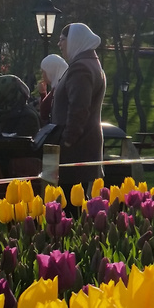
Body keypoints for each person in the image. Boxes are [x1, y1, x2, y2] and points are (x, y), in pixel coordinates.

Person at [51, 23, 106, 202]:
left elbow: (79, 108)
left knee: (69, 207)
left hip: (75, 150)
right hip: (82, 147)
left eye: (62, 40)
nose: (59, 44)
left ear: (74, 40)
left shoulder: (80, 68)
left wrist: (67, 140)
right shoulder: (90, 63)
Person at [38, 53, 68, 123]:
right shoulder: (61, 85)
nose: (43, 76)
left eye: (43, 72)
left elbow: (44, 113)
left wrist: (43, 95)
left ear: (50, 72)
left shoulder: (58, 89)